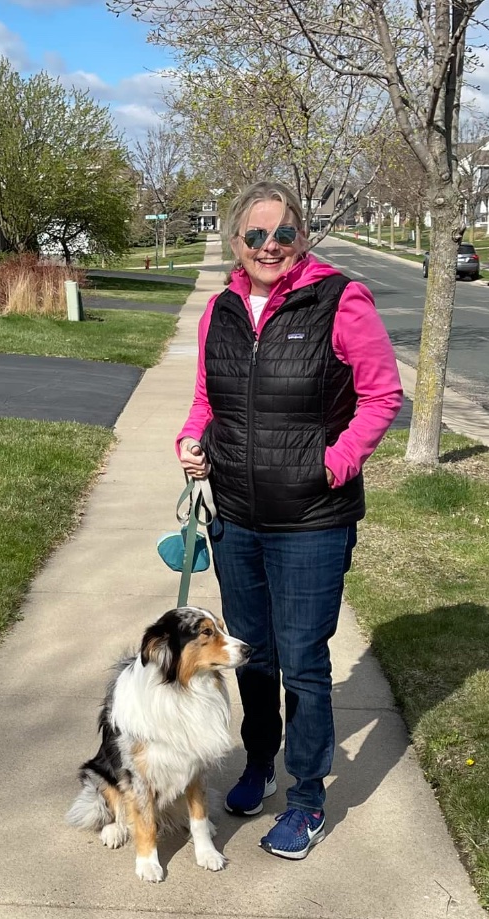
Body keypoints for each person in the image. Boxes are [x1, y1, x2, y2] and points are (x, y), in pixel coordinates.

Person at [176, 181, 403, 861]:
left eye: (283, 234)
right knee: (252, 657)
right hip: (238, 518)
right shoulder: (219, 310)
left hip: (312, 520)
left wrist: (333, 464)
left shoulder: (338, 298)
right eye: (255, 235)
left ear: (300, 236)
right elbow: (204, 399)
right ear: (235, 243)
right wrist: (192, 443)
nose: (270, 246)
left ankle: (306, 798)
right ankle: (257, 764)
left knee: (303, 662)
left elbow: (382, 393)